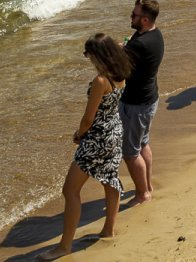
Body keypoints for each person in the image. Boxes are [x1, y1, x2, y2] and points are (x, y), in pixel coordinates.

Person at [36, 33, 132, 260]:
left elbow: (88, 118)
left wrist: (80, 134)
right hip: (114, 133)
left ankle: (64, 246)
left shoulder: (100, 81)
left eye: (88, 54)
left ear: (98, 55)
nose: (87, 58)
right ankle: (108, 230)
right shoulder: (120, 76)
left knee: (70, 190)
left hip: (96, 139)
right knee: (110, 181)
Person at [121, 0, 163, 205]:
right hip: (148, 99)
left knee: (130, 153)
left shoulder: (140, 44)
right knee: (143, 143)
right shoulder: (154, 35)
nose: (131, 16)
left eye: (134, 15)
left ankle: (142, 193)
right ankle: (147, 185)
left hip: (137, 104)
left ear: (145, 20)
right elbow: (131, 50)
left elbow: (119, 72)